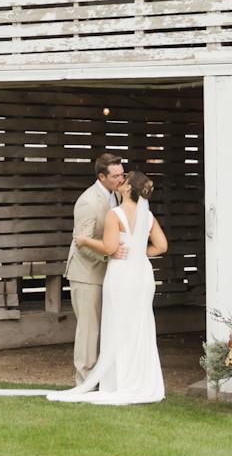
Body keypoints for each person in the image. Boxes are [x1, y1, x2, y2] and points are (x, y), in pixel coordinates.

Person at [49, 170, 167, 405]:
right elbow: (162, 246)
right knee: (140, 325)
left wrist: (84, 240)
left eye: (125, 179)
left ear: (127, 189)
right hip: (142, 275)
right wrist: (139, 253)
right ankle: (141, 380)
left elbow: (109, 248)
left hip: (122, 274)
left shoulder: (116, 214)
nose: (121, 181)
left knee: (117, 324)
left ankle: (119, 382)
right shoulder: (148, 216)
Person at [65, 153, 126, 384]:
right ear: (101, 176)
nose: (121, 179)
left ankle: (104, 379)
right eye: (116, 176)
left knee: (107, 327)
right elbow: (81, 242)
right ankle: (84, 383)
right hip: (86, 274)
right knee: (89, 331)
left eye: (122, 174)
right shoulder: (88, 202)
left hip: (107, 273)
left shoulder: (116, 195)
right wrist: (109, 253)